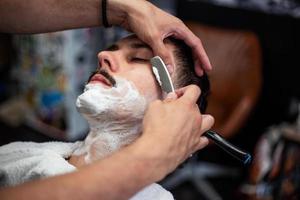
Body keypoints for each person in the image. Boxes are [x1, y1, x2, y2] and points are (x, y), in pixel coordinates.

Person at [0, 0, 214, 199]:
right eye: (112, 50)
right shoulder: (18, 155)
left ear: (176, 107)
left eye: (139, 58)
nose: (102, 55)